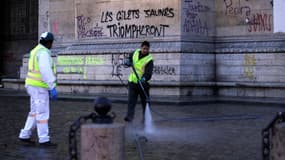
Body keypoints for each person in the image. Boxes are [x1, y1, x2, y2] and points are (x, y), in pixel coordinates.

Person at [18, 32, 58, 147]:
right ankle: (44, 139)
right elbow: (45, 70)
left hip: (32, 85)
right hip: (39, 87)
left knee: (34, 112)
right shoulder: (43, 53)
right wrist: (52, 86)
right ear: (49, 42)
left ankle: (25, 135)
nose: (52, 45)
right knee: (42, 113)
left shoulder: (35, 50)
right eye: (52, 43)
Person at [124, 41, 154, 123]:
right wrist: (127, 61)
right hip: (132, 82)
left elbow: (149, 73)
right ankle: (129, 117)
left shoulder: (149, 59)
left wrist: (144, 79)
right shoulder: (135, 52)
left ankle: (145, 120)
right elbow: (129, 58)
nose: (145, 50)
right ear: (141, 48)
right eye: (144, 48)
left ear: (149, 49)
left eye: (147, 49)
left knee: (145, 102)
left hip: (143, 84)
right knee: (131, 101)